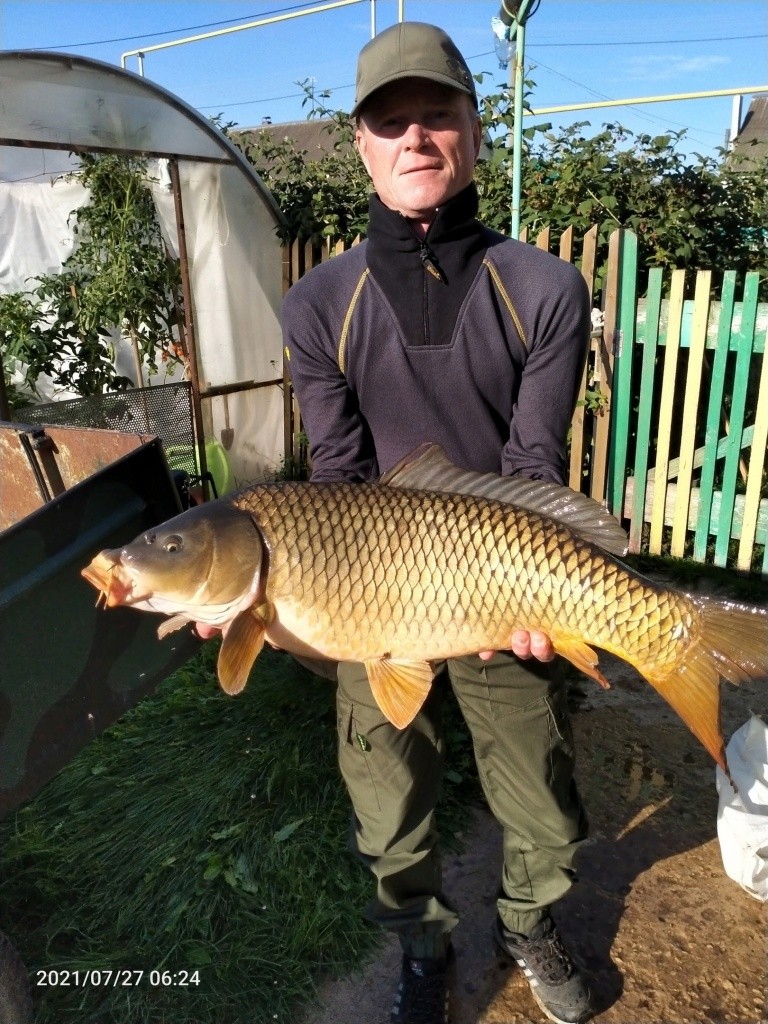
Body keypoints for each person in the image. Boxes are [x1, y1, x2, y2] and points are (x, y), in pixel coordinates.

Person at [242, 21, 594, 1024]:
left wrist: (536, 590)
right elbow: (341, 475)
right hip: (375, 587)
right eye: (389, 120)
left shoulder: (544, 288)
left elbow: (533, 464)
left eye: (436, 113)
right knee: (388, 808)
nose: (415, 137)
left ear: (474, 129)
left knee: (545, 806)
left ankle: (530, 919)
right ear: (360, 143)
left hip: (503, 576)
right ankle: (421, 947)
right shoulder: (318, 303)